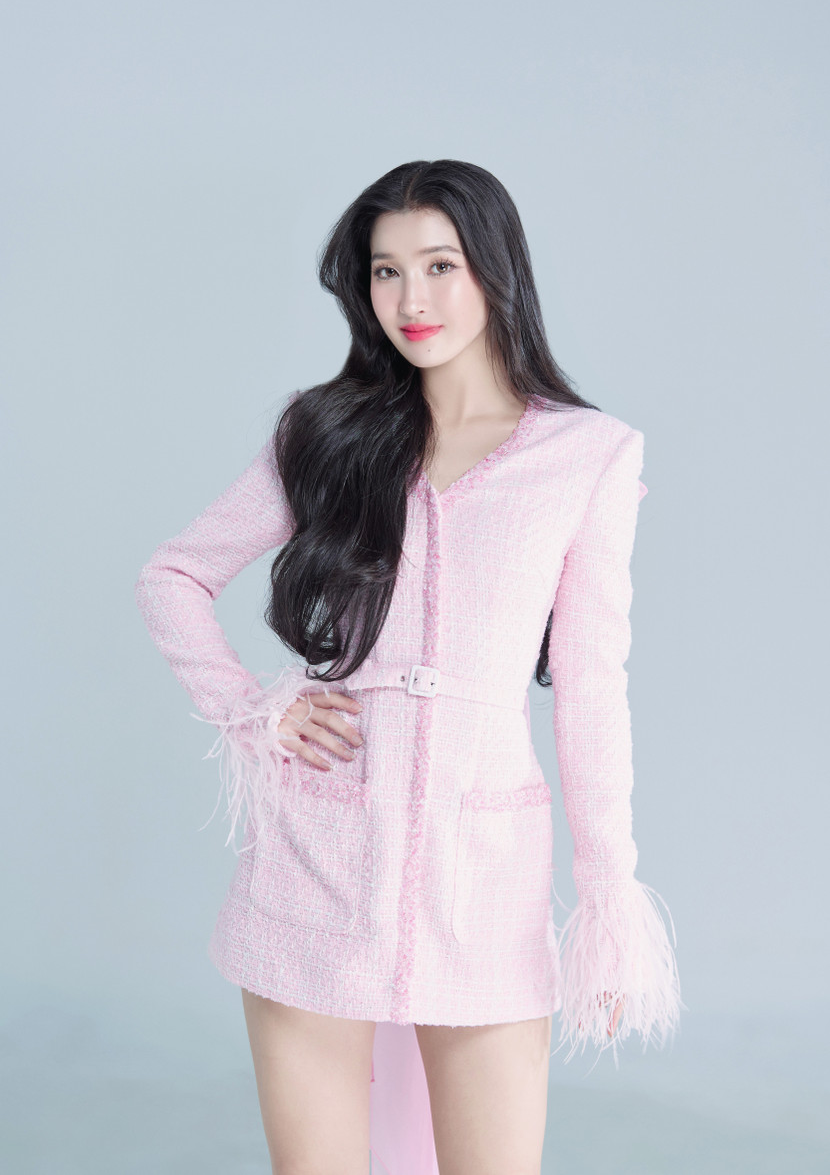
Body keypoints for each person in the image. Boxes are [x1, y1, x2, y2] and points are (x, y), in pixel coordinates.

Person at [135, 158, 683, 1175]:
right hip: (314, 862)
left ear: (495, 270)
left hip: (484, 876)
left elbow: (591, 691)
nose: (410, 300)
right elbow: (172, 575)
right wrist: (253, 710)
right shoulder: (323, 433)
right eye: (385, 271)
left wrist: (608, 891)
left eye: (439, 265)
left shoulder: (587, 455)